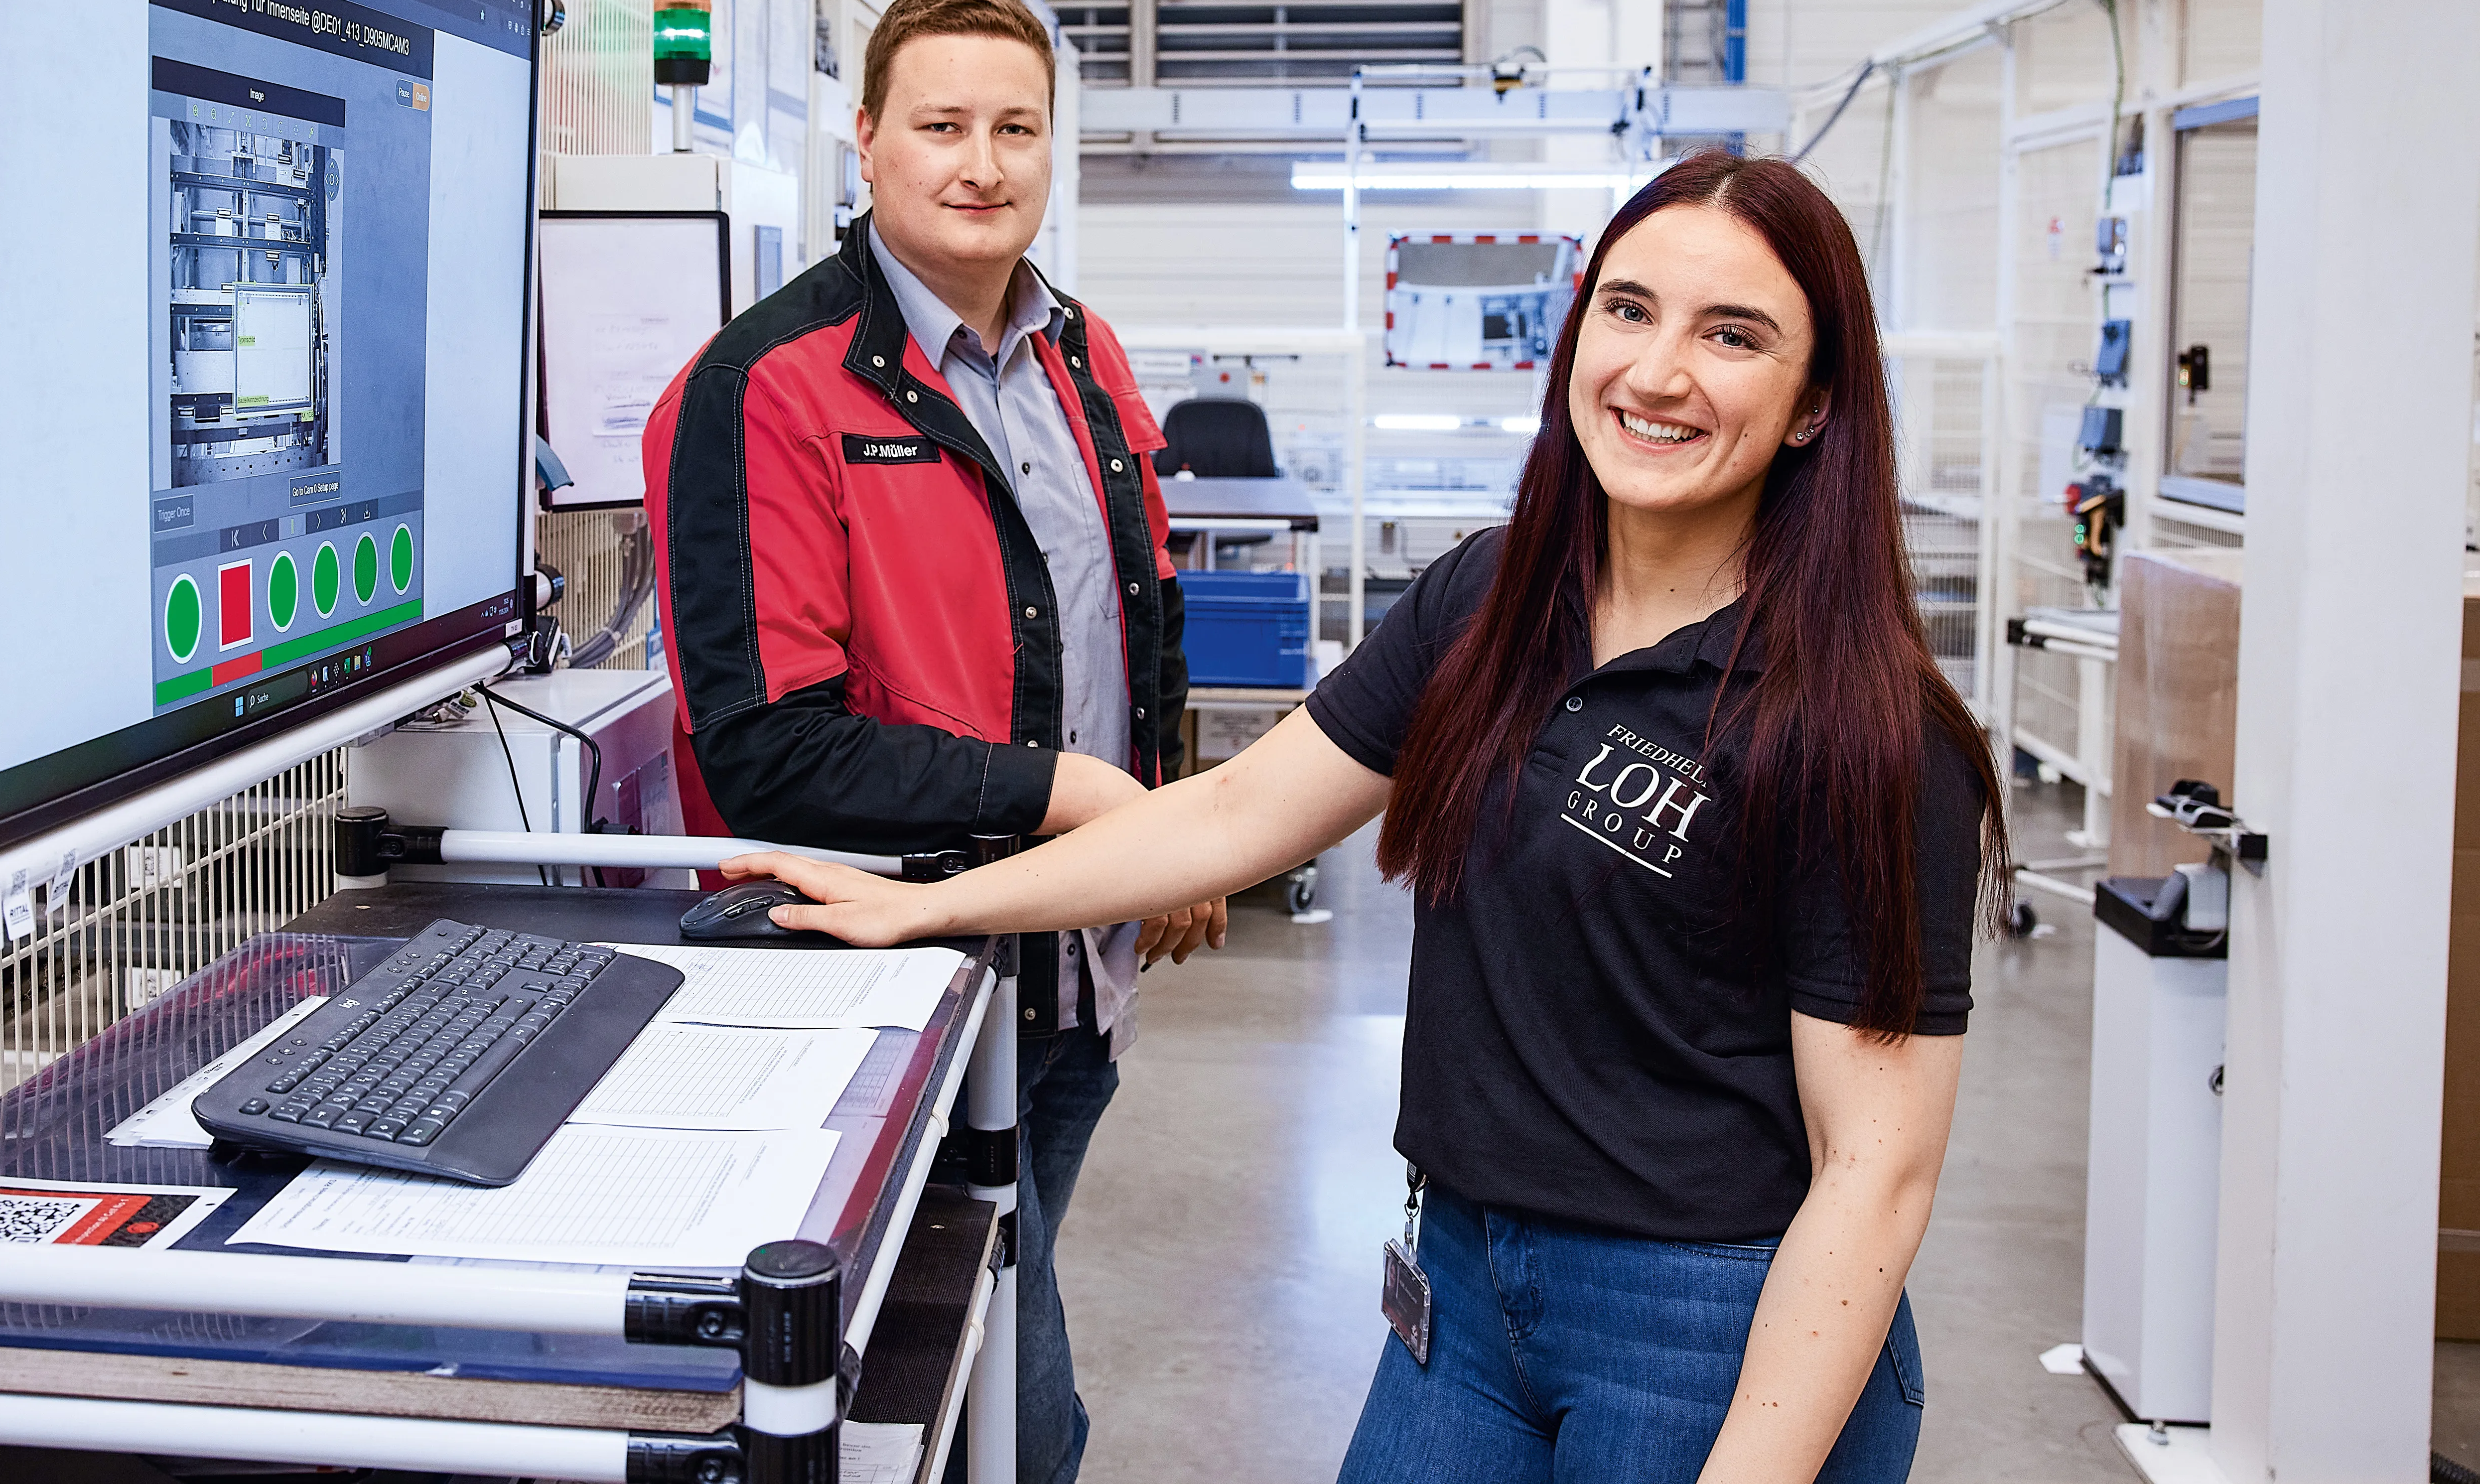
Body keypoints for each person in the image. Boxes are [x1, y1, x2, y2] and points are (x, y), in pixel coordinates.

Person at [724, 148, 2013, 1484]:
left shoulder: (1866, 730)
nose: (1658, 371)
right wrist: (930, 905)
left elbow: (1878, 1174)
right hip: (1464, 1289)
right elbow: (1235, 811)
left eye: (1732, 335)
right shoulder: (1494, 603)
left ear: (1814, 406)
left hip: (1705, 1322)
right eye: (1628, 311)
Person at [641, 0, 1227, 1484]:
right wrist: (1089, 797)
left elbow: (1133, 610)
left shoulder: (1083, 354)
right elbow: (769, 742)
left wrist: (1174, 817)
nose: (982, 162)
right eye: (943, 125)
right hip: (900, 992)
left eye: (1016, 127)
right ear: (867, 141)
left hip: (1079, 970)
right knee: (1000, 1416)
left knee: (999, 1340)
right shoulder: (763, 387)